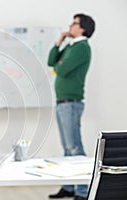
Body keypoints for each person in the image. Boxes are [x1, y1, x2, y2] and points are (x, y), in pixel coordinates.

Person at [47, 13, 95, 200]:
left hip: (71, 103)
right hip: (63, 102)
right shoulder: (72, 45)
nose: (70, 26)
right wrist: (59, 41)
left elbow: (61, 69)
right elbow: (52, 62)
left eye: (74, 23)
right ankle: (69, 187)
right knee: (68, 149)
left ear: (82, 28)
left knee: (75, 148)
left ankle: (82, 192)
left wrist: (60, 64)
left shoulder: (82, 47)